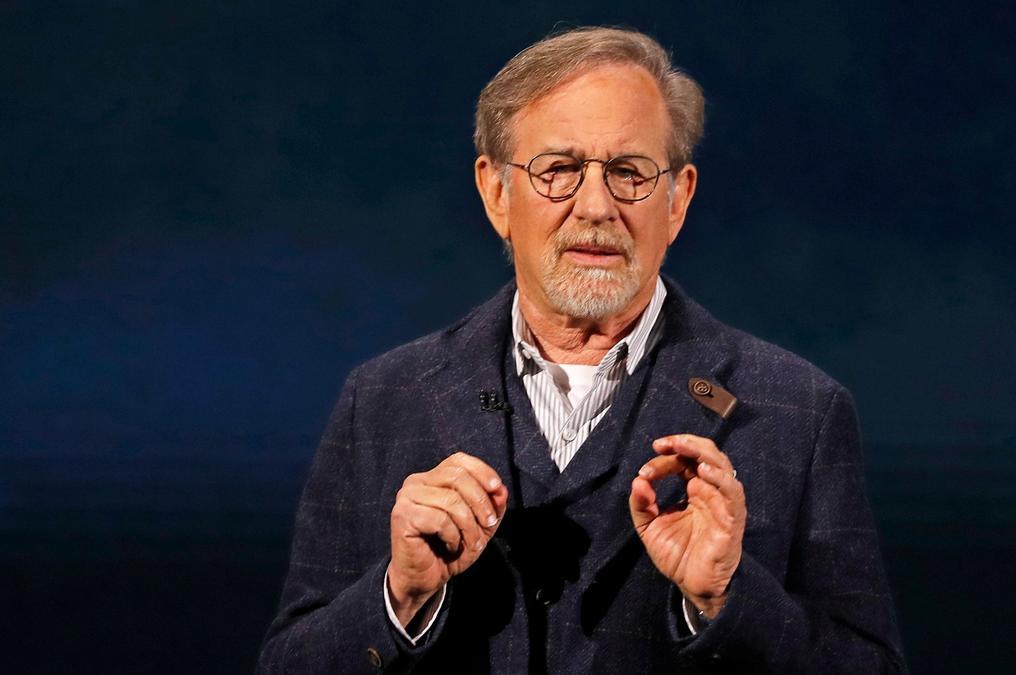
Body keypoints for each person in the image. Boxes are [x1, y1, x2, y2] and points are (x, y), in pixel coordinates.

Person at [257, 26, 905, 674]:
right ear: (495, 192)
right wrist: (398, 595)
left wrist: (728, 596)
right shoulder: (379, 401)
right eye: (559, 170)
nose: (595, 206)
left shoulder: (798, 412)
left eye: (628, 173)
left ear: (677, 199)